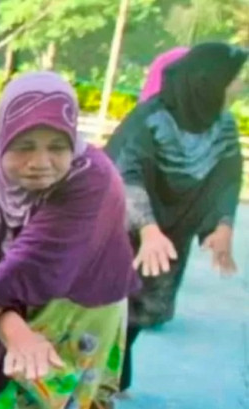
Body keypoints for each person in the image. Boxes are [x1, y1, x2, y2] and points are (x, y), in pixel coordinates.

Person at [0, 72, 140, 408]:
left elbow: (32, 263)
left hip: (82, 307)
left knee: (68, 400)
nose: (40, 163)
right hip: (0, 302)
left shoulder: (93, 176)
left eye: (57, 147)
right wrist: (15, 331)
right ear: (2, 138)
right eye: (24, 146)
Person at [105, 42, 246, 394]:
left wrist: (222, 225)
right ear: (209, 80)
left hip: (172, 233)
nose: (241, 86)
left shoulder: (222, 125)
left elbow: (227, 177)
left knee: (142, 307)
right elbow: (126, 174)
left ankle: (113, 374)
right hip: (122, 228)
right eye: (235, 79)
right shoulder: (151, 118)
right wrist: (148, 228)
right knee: (104, 303)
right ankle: (100, 377)